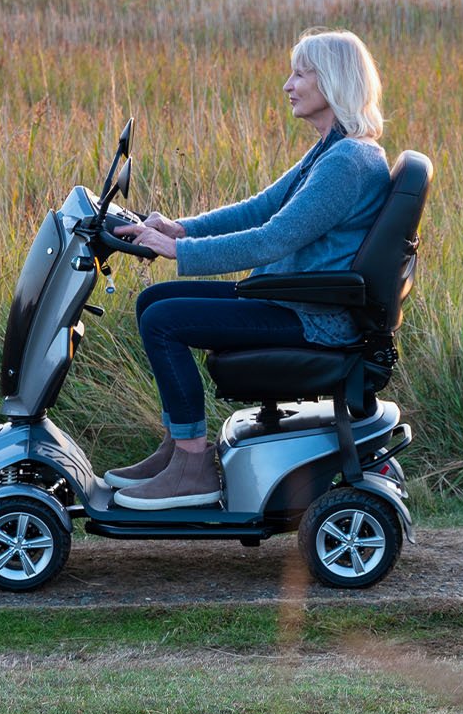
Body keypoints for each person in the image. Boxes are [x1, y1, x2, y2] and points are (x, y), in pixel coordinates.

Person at [106, 28, 392, 509]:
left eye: (301, 73)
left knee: (163, 319)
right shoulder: (335, 148)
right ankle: (181, 447)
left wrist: (180, 254)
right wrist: (181, 229)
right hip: (295, 299)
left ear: (333, 82)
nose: (289, 84)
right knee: (153, 301)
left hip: (311, 317)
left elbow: (273, 238)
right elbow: (263, 208)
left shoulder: (347, 162)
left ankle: (194, 466)